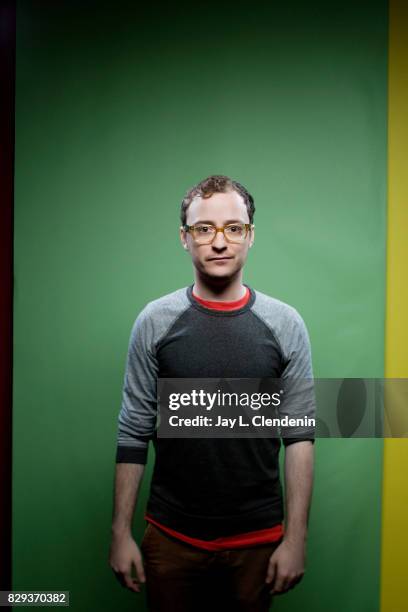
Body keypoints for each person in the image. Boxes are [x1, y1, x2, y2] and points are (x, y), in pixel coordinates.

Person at [109, 175, 315, 612]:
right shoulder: (154, 321)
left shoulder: (286, 324)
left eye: (233, 228)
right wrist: (120, 533)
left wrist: (295, 540)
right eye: (204, 228)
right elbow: (133, 428)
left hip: (258, 540)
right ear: (185, 238)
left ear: (250, 235)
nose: (219, 241)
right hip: (171, 536)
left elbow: (300, 436)